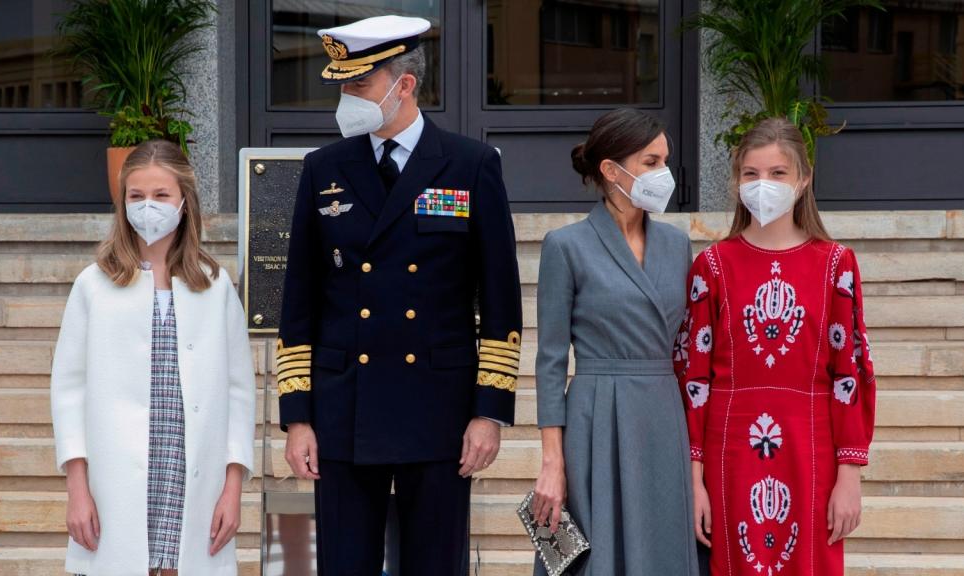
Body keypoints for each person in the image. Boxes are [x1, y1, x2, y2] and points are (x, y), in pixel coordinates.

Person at [276, 15, 523, 575]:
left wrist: (489, 411)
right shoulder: (323, 168)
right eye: (343, 86)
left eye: (359, 85)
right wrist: (298, 418)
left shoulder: (470, 165)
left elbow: (500, 300)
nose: (347, 100)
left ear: (404, 85)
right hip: (345, 408)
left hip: (437, 408)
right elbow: (300, 301)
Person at [676, 117, 876, 575]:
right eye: (752, 173)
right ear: (737, 180)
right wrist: (694, 480)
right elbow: (693, 379)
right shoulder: (712, 266)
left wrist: (849, 473)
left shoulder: (837, 265)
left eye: (777, 173)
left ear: (803, 179)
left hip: (812, 448)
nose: (763, 183)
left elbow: (850, 374)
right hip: (730, 448)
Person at [50, 140, 257, 576]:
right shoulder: (94, 285)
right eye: (137, 195)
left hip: (189, 471)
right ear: (122, 203)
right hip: (116, 476)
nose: (148, 206)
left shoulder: (214, 285)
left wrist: (233, 486)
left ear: (184, 201)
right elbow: (69, 391)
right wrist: (78, 489)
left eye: (161, 195)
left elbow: (239, 391)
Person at [531, 108, 700, 575]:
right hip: (596, 419)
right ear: (611, 170)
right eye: (651, 162)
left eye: (665, 161)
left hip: (663, 416)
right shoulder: (566, 246)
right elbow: (550, 362)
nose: (664, 173)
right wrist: (552, 463)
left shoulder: (677, 244)